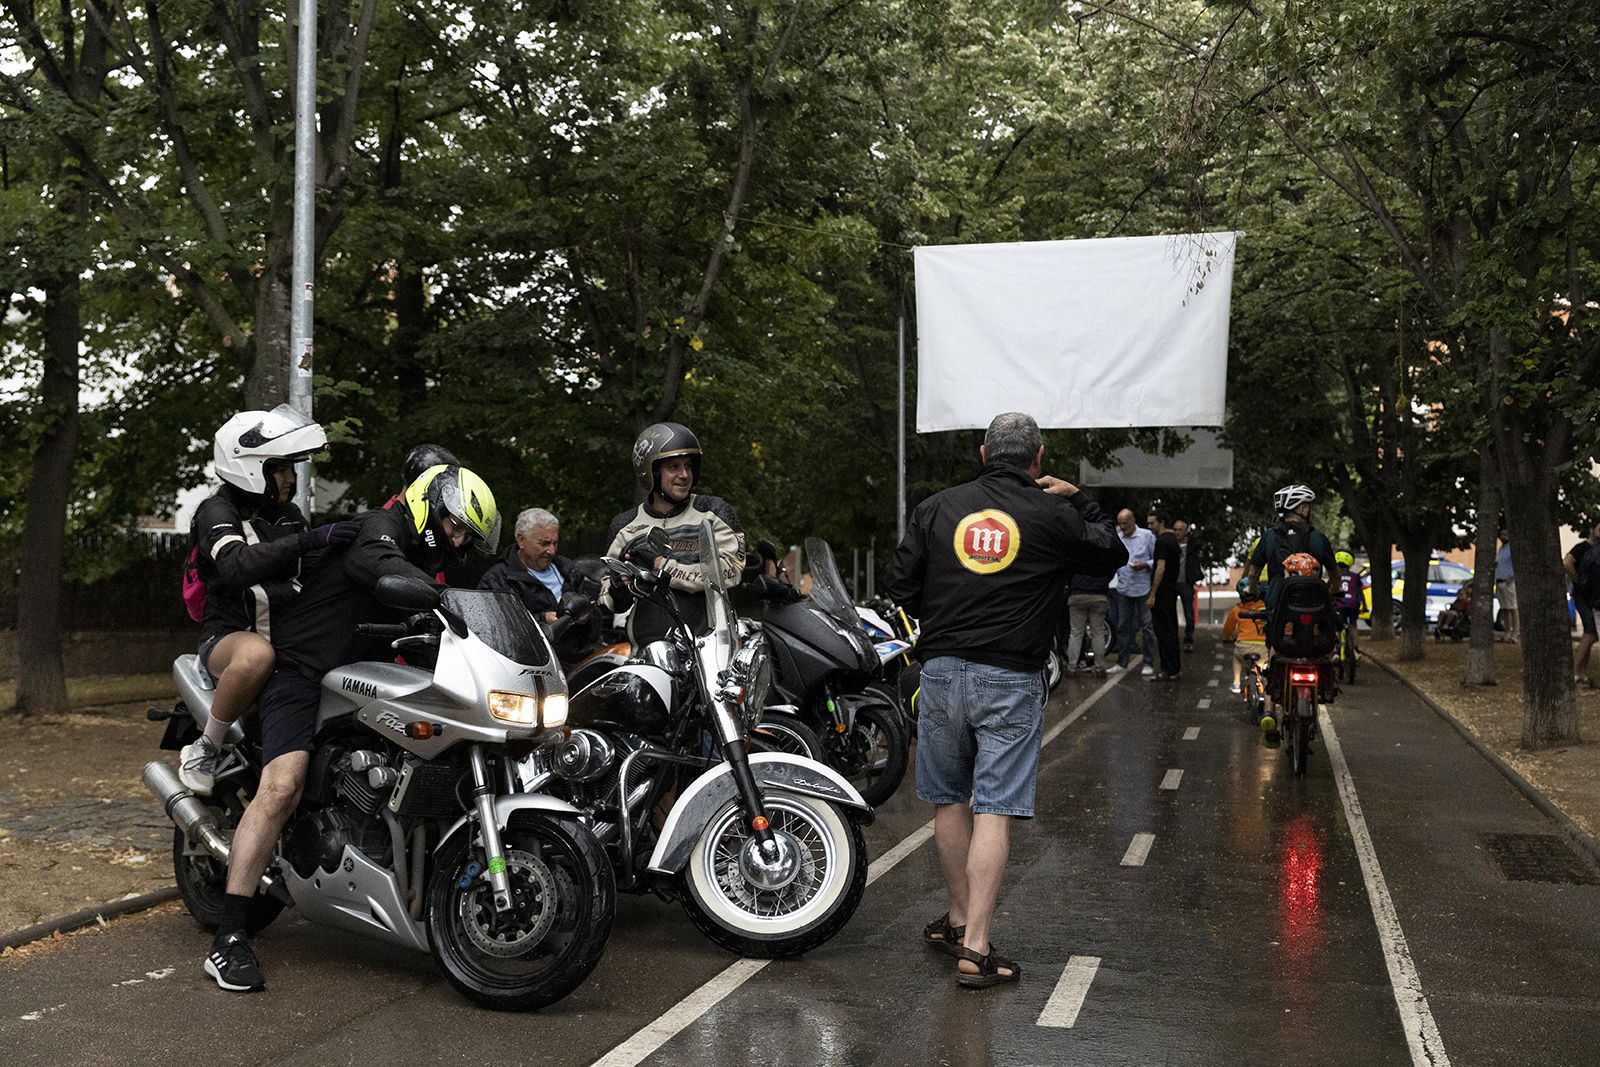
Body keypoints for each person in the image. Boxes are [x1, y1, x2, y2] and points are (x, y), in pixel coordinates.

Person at [201, 463, 499, 993]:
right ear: (431, 506)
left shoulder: (429, 554)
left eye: (466, 536)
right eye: (455, 526)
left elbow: (456, 594)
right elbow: (376, 563)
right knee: (282, 786)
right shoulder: (380, 528)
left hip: (360, 673)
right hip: (301, 668)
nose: (458, 541)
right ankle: (227, 939)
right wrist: (437, 596)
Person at [884, 412, 1125, 990]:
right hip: (1012, 677)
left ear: (984, 452)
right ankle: (976, 947)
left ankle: (960, 918)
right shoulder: (1054, 514)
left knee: (947, 800)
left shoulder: (936, 507)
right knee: (993, 805)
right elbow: (1110, 554)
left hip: (940, 672)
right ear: (1038, 457)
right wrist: (1082, 500)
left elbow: (901, 585)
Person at [179, 406, 350, 796]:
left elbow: (313, 571)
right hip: (230, 637)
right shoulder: (216, 511)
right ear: (251, 467)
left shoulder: (288, 515)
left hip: (286, 639)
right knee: (256, 655)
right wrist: (310, 539)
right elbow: (235, 565)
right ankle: (207, 746)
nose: (290, 477)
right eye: (281, 468)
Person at [602, 422, 745, 646]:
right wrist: (617, 586)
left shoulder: (714, 512)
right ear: (652, 472)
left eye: (688, 466)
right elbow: (610, 604)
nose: (684, 475)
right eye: (674, 467)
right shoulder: (624, 526)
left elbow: (730, 573)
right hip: (648, 649)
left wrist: (662, 566)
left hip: (708, 647)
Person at [1245, 484, 1337, 615]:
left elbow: (1253, 573)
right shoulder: (1317, 537)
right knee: (1327, 628)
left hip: (1277, 603)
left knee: (1273, 631)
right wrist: (1335, 589)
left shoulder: (1269, 536)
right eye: (1308, 506)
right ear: (1302, 508)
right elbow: (1334, 573)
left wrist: (1252, 589)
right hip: (1313, 602)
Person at [480, 507, 572, 625]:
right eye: (545, 543)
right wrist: (542, 619)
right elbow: (494, 625)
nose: (552, 551)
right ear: (521, 540)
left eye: (555, 543)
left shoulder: (569, 570)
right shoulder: (498, 580)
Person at [1109, 509, 1157, 675]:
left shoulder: (1147, 536)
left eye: (1125, 523)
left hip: (1143, 588)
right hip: (1124, 588)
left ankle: (1148, 663)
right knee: (1123, 626)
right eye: (1120, 523)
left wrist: (1145, 564)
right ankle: (1122, 662)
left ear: (1133, 520)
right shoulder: (1118, 537)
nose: (1122, 527)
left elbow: (1156, 559)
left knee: (1147, 627)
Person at [1145, 510, 1181, 680]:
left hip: (1163, 593)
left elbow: (1160, 568)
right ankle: (1174, 668)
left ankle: (1167, 669)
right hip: (1171, 590)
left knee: (1163, 631)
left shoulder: (1161, 541)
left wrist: (1152, 594)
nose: (1149, 526)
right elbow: (1179, 559)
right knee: (1171, 630)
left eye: (1152, 523)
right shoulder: (1173, 540)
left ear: (1161, 522)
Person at [1064, 566, 1112, 677]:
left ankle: (1072, 667)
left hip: (1077, 594)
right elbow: (1110, 570)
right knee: (1098, 633)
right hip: (1099, 594)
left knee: (1076, 633)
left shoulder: (1077, 552)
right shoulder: (1103, 552)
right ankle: (1099, 667)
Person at [1568, 522, 1600, 684]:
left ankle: (1582, 673)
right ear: (1592, 529)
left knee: (1590, 633)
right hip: (1583, 597)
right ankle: (1573, 672)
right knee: (1590, 634)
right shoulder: (1582, 548)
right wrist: (1580, 582)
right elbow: (1567, 563)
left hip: (1591, 597)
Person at [1222, 582, 1268, 693]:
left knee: (1237, 658)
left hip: (1243, 646)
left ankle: (1236, 683)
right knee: (1265, 666)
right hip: (1264, 646)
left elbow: (1227, 629)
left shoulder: (1237, 609)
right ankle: (1266, 686)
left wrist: (1226, 638)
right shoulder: (1265, 608)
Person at [1173, 519, 1201, 651]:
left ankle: (1188, 640)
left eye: (1180, 530)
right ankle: (1172, 639)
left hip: (1186, 583)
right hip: (1171, 582)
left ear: (1186, 531)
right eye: (1175, 530)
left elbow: (1199, 535)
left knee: (1189, 614)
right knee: (1170, 613)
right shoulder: (1170, 543)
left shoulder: (1192, 544)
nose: (1177, 532)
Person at [1332, 550, 1362, 657]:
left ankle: (1336, 650)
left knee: (1336, 627)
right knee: (1353, 625)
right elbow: (1360, 591)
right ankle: (1356, 649)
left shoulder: (1335, 576)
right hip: (1353, 604)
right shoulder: (1355, 576)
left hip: (1339, 604)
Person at [1495, 529, 1518, 643]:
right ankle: (1507, 632)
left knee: (1512, 608)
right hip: (1499, 581)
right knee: (1504, 609)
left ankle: (1515, 634)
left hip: (1509, 581)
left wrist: (1511, 579)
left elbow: (1516, 564)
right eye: (1502, 535)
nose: (1503, 537)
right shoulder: (1501, 549)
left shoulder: (1512, 549)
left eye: (1506, 534)